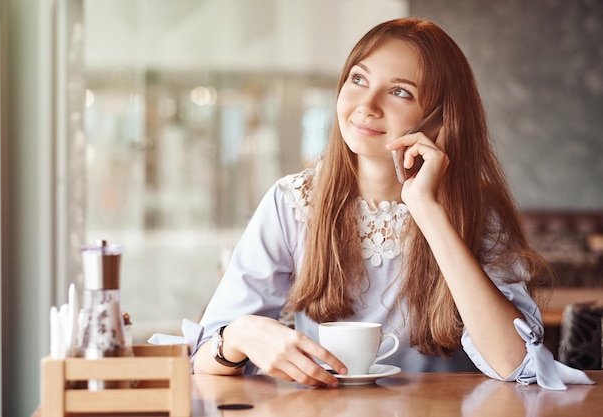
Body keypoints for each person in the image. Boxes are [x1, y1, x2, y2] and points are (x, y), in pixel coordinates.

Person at [192, 18, 555, 388]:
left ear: (440, 120)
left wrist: (428, 211)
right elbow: (202, 359)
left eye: (400, 92)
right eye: (359, 79)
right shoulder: (293, 202)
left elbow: (518, 364)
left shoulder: (478, 210)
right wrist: (238, 335)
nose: (366, 105)